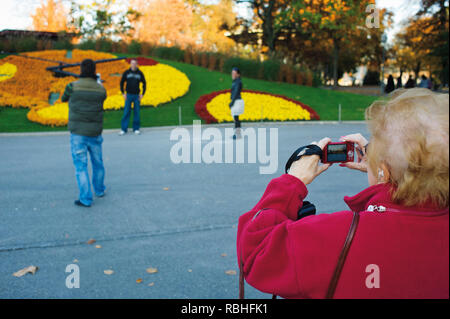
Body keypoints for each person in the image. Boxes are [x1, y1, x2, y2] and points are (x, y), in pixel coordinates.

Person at [237, 88, 449, 298]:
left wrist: (292, 181)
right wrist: (392, 172)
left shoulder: (340, 236)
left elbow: (255, 252)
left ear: (384, 168)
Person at [62, 59, 107, 207]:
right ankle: (99, 190)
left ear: (81, 70)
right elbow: (103, 97)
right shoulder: (101, 89)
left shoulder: (72, 87)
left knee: (81, 167)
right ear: (94, 70)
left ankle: (86, 198)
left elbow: (63, 99)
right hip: (95, 132)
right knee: (98, 163)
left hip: (78, 133)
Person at [119, 59, 146, 136]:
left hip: (136, 96)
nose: (133, 65)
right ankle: (124, 129)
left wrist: (142, 94)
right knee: (126, 112)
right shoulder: (126, 73)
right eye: (132, 63)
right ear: (130, 64)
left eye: (135, 63)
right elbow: (121, 82)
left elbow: (144, 83)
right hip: (128, 95)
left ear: (137, 64)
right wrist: (123, 93)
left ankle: (136, 129)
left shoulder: (140, 73)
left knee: (136, 112)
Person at [229, 67, 244, 140]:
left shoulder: (238, 82)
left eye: (234, 73)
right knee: (236, 118)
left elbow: (236, 93)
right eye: (232, 73)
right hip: (236, 101)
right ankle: (238, 134)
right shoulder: (236, 81)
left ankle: (238, 135)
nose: (233, 75)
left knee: (236, 118)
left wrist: (232, 102)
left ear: (238, 74)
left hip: (237, 101)